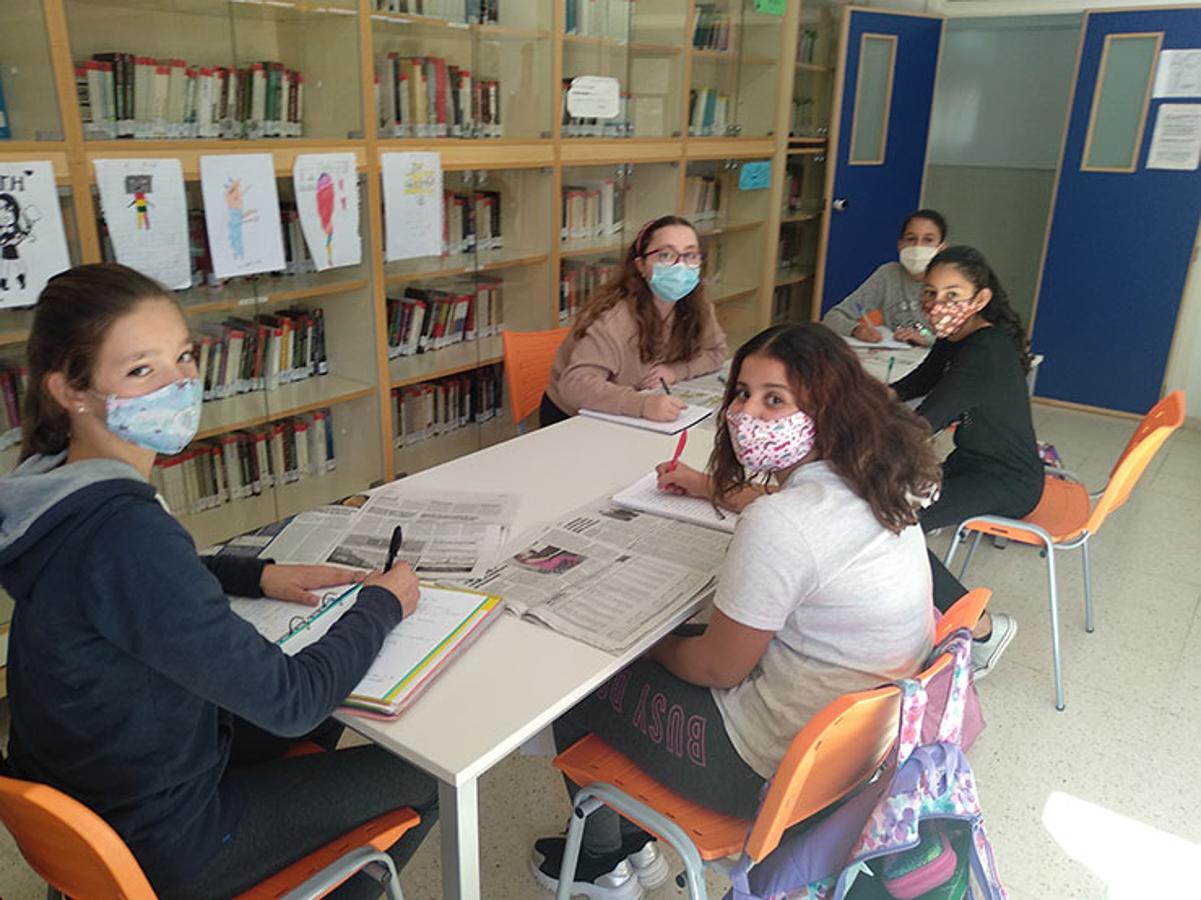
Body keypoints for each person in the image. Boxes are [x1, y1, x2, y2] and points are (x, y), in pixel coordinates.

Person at [0, 264, 438, 899]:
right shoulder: (127, 534)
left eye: (183, 357)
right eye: (141, 370)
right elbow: (291, 698)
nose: (180, 384)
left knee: (318, 721)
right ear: (72, 389)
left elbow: (121, 584)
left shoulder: (50, 491)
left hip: (94, 800)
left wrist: (257, 574)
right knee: (416, 779)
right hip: (168, 839)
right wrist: (379, 605)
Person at [532, 323, 939, 897]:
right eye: (742, 393)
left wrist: (639, 642)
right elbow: (793, 515)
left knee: (577, 681)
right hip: (851, 755)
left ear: (826, 409)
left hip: (758, 767)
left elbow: (717, 669)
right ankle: (629, 845)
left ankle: (604, 860)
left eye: (775, 399)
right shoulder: (877, 481)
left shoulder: (784, 524)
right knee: (684, 643)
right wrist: (711, 488)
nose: (747, 413)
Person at [891, 245, 1044, 677]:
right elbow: (919, 380)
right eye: (931, 294)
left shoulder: (983, 350)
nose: (939, 306)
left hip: (1009, 480)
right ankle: (912, 615)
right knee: (889, 513)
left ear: (979, 300)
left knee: (900, 523)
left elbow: (924, 424)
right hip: (975, 463)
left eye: (953, 295)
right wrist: (865, 396)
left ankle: (983, 630)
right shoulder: (959, 335)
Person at [541, 215, 728, 427]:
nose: (681, 266)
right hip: (576, 418)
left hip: (634, 415)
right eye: (666, 255)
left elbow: (716, 352)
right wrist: (642, 404)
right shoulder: (613, 318)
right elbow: (576, 384)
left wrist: (676, 371)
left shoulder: (697, 305)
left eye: (691, 255)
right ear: (641, 266)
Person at [821, 209, 948, 346]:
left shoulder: (951, 282)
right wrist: (856, 330)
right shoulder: (888, 275)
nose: (918, 246)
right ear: (900, 245)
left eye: (928, 240)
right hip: (896, 358)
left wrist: (926, 339)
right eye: (911, 239)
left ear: (942, 248)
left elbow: (963, 339)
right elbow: (833, 316)